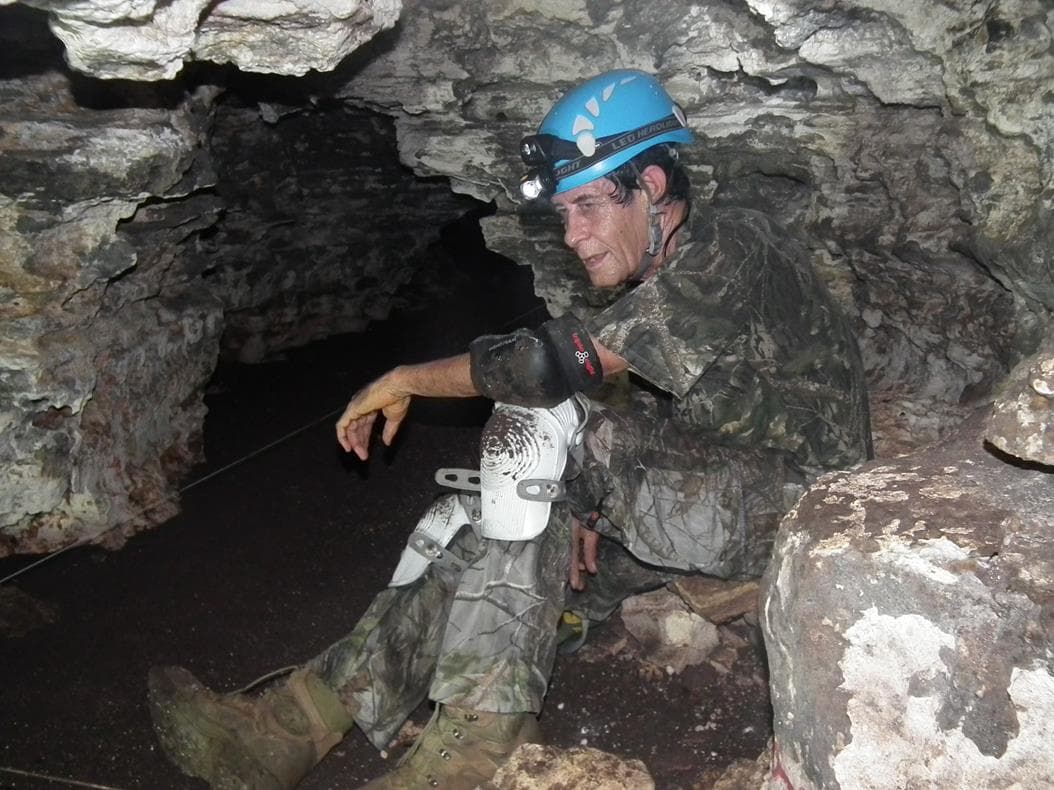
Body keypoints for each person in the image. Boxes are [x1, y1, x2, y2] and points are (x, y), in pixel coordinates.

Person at [147, 69, 872, 790]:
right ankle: (291, 729)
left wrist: (404, 378)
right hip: (715, 502)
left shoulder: (734, 243)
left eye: (588, 206)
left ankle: (475, 751)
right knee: (481, 530)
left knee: (540, 420)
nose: (574, 234)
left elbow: (550, 367)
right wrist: (593, 504)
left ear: (652, 186)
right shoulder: (665, 278)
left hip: (803, 510)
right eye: (563, 213)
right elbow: (670, 417)